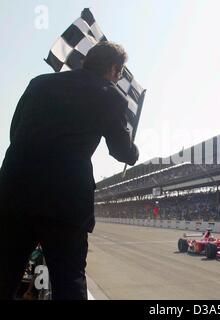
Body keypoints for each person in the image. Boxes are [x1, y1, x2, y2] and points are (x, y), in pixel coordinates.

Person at [0, 42, 139, 300]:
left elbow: (14, 132)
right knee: (69, 280)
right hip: (65, 203)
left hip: (13, 193)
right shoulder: (110, 95)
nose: (118, 78)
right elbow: (122, 153)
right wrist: (134, 149)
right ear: (112, 68)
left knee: (4, 273)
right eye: (119, 73)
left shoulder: (39, 83)